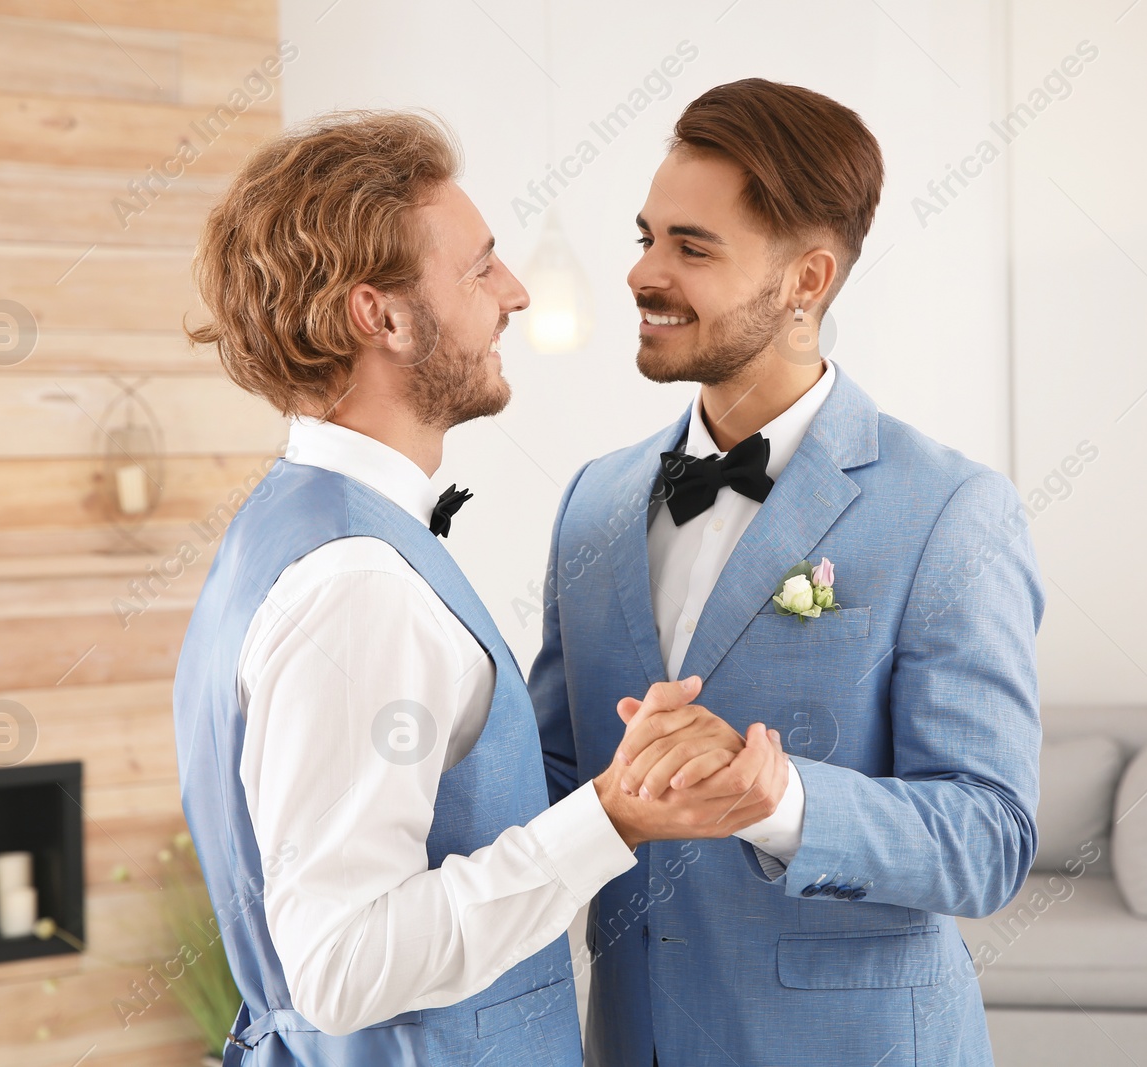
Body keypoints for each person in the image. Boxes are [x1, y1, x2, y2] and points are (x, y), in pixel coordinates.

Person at [171, 109, 791, 1067]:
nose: (513, 292)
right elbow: (338, 965)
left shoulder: (292, 523)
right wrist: (614, 816)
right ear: (379, 315)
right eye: (479, 267)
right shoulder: (356, 587)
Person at [529, 78, 1046, 1066]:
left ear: (806, 281)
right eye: (645, 237)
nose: (642, 273)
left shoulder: (951, 509)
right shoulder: (591, 501)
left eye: (691, 247)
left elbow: (988, 840)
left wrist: (779, 799)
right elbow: (551, 775)